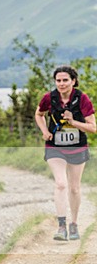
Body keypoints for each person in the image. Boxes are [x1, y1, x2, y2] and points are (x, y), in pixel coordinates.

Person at [34, 65, 96, 241]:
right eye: (58, 80)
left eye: (65, 80)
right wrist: (44, 131)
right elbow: (39, 114)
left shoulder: (82, 99)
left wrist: (74, 122)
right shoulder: (49, 97)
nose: (61, 84)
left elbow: (93, 128)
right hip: (55, 146)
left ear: (73, 81)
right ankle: (61, 226)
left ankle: (74, 223)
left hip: (77, 147)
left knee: (74, 188)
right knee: (61, 184)